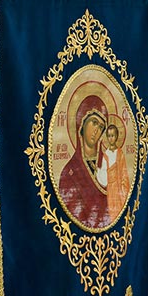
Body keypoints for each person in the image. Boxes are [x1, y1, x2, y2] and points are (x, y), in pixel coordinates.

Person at [58, 95, 109, 228]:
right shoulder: (69, 172)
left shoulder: (108, 165)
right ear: (82, 123)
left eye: (101, 127)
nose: (97, 130)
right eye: (94, 122)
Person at [96, 124, 130, 217]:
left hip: (120, 188)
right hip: (111, 189)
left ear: (117, 136)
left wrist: (124, 190)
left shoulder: (120, 153)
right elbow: (104, 174)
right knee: (113, 213)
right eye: (109, 136)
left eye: (113, 135)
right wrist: (98, 171)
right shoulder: (105, 155)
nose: (111, 138)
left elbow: (124, 172)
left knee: (121, 212)